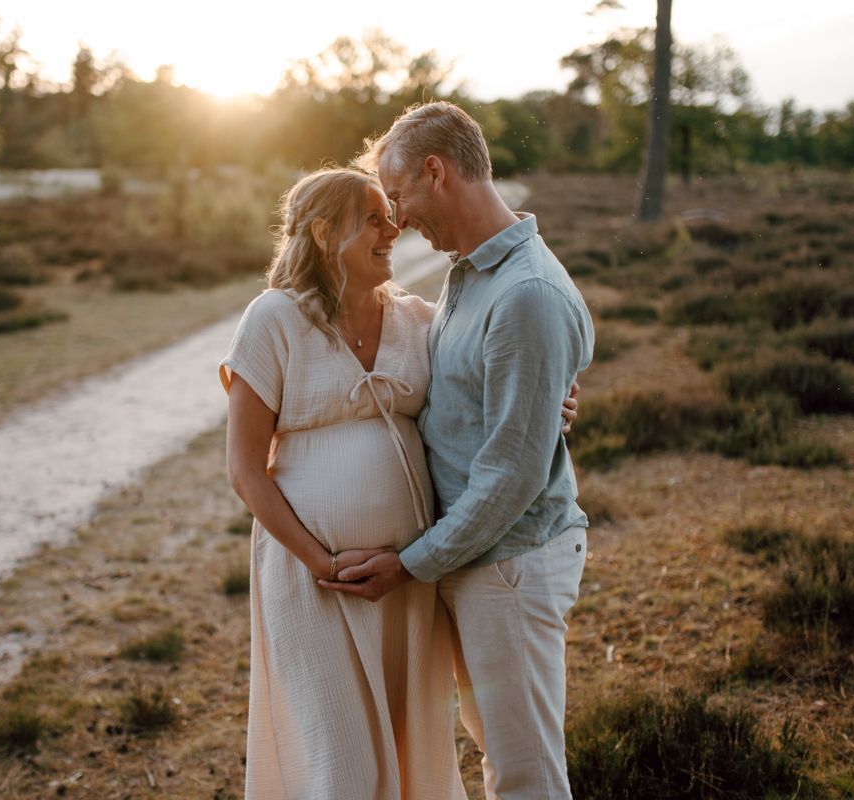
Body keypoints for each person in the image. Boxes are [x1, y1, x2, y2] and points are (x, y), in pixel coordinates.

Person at [221, 166, 578, 799]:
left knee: (410, 746)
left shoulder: (418, 319)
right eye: (374, 219)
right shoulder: (273, 318)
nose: (395, 229)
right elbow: (246, 470)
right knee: (341, 761)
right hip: (316, 581)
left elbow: (494, 373)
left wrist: (556, 398)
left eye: (392, 215)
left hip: (408, 581)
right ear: (324, 234)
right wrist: (323, 562)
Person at [321, 101, 595, 800]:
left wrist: (411, 563)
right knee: (499, 752)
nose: (398, 219)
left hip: (509, 567)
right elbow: (466, 397)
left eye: (399, 194)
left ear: (436, 172)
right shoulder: (470, 274)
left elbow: (512, 476)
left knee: (526, 772)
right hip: (473, 560)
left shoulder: (527, 294)